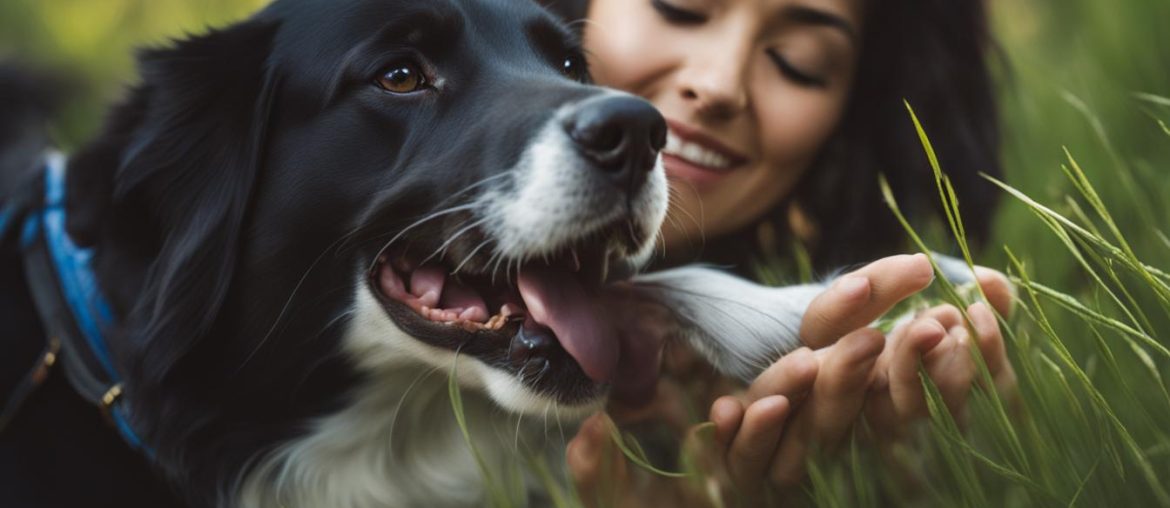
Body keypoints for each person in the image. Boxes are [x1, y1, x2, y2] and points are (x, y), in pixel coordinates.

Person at [539, 0, 1018, 504]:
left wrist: (920, 477)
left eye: (798, 61)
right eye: (679, 8)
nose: (719, 84)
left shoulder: (802, 376)